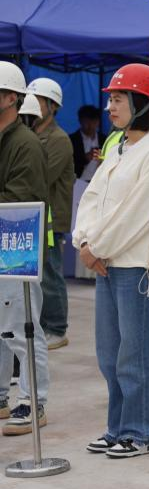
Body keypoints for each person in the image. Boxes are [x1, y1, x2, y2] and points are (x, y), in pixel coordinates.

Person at [72, 63, 149, 457]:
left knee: (137, 353)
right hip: (107, 262)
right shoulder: (118, 147)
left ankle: (142, 431)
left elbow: (137, 215)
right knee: (110, 353)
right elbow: (92, 199)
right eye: (111, 100)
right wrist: (84, 241)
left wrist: (96, 248)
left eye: (119, 99)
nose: (111, 107)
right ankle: (117, 427)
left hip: (134, 266)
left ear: (142, 104)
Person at [0, 65, 54, 438]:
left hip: (18, 248)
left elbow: (20, 200)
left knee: (22, 329)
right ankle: (2, 396)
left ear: (11, 98)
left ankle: (34, 401)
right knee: (2, 330)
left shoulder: (25, 144)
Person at [26, 78, 74, 349]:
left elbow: (41, 178)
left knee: (50, 273)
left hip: (50, 219)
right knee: (37, 274)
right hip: (35, 216)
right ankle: (43, 324)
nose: (32, 104)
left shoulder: (58, 140)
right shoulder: (33, 135)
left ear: (52, 106)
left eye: (39, 100)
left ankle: (57, 328)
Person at [71, 104, 106, 179]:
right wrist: (85, 158)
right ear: (80, 121)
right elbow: (68, 164)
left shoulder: (104, 139)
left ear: (98, 122)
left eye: (94, 122)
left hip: (100, 180)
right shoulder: (72, 140)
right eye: (87, 121)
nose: (90, 125)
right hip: (78, 181)